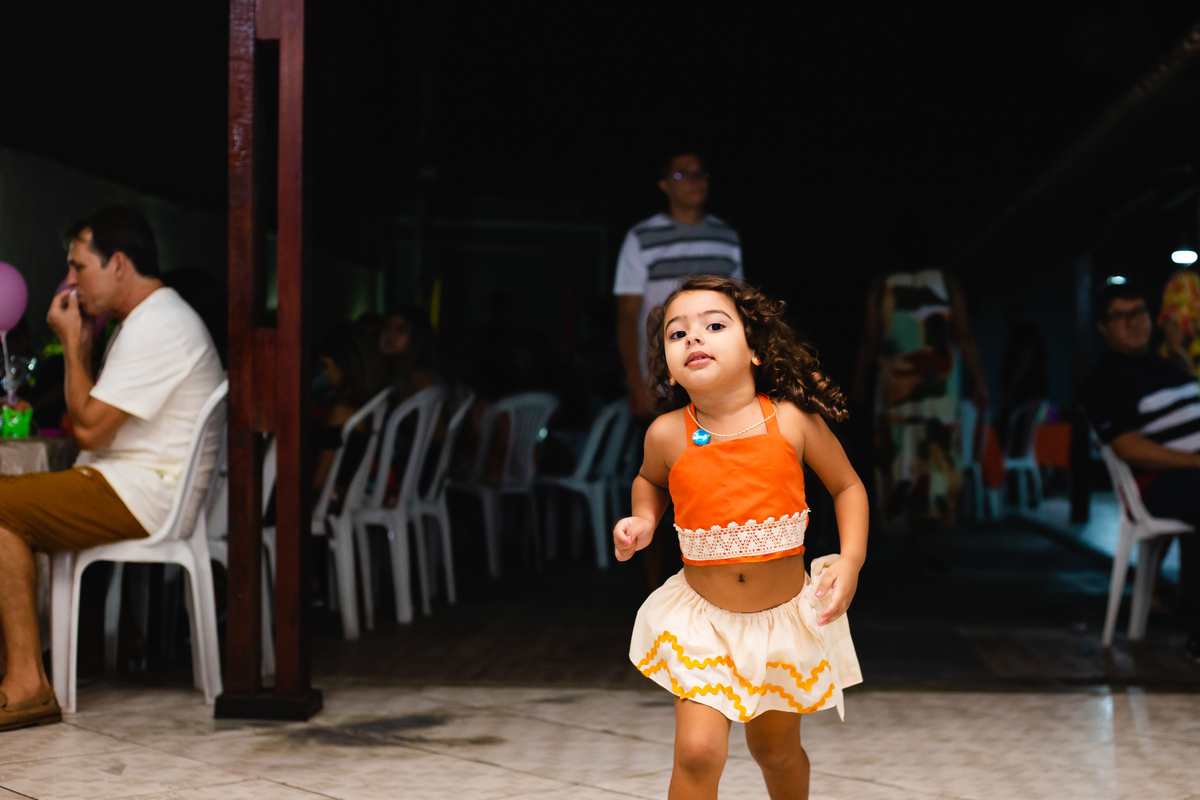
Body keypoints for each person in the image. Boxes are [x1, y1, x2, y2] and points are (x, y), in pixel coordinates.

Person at [614, 276, 865, 799]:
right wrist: (643, 520)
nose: (693, 337)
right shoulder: (667, 433)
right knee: (697, 752)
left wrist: (851, 559)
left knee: (775, 752)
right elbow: (650, 482)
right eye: (677, 334)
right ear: (670, 369)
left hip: (780, 625)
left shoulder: (791, 421)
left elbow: (847, 486)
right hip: (703, 624)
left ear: (755, 350)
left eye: (713, 326)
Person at [0, 206, 224, 730]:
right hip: (128, 484)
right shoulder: (149, 319)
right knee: (6, 513)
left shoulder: (160, 324)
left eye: (79, 266)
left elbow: (90, 430)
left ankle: (28, 682)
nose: (71, 280)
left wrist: (73, 346)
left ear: (118, 264)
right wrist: (84, 345)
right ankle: (24, 675)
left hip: (142, 493)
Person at [1082, 282, 1200, 663]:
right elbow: (1127, 447)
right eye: (1120, 316)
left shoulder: (1169, 367)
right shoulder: (1105, 380)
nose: (1133, 322)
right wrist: (1193, 461)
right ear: (1103, 327)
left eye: (1139, 312)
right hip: (1157, 482)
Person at [851, 267, 989, 569]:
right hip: (935, 386)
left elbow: (871, 339)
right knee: (934, 457)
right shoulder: (947, 283)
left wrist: (859, 380)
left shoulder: (882, 285)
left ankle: (914, 540)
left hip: (898, 385)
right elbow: (964, 336)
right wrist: (979, 381)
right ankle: (929, 536)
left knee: (902, 458)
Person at [614, 151, 744, 421]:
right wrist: (636, 384)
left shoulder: (726, 237)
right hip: (662, 379)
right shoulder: (641, 238)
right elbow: (626, 316)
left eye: (700, 173)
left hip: (720, 379)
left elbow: (740, 309)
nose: (695, 180)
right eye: (683, 174)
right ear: (664, 185)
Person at [378, 305, 438, 401]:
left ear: (416, 336)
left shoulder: (420, 378)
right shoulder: (391, 372)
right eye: (387, 328)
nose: (390, 334)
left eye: (400, 330)